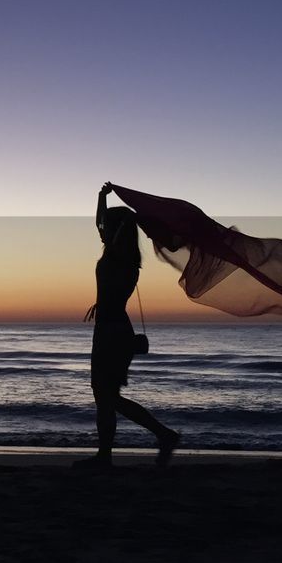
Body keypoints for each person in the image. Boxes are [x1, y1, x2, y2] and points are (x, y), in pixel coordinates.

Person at [76, 182, 180, 469]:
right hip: (112, 330)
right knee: (105, 396)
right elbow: (100, 222)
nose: (103, 230)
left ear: (118, 231)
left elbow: (105, 227)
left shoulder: (120, 259)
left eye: (110, 228)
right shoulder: (124, 258)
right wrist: (101, 198)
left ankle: (161, 435)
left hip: (112, 333)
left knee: (106, 395)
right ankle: (107, 454)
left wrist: (124, 215)